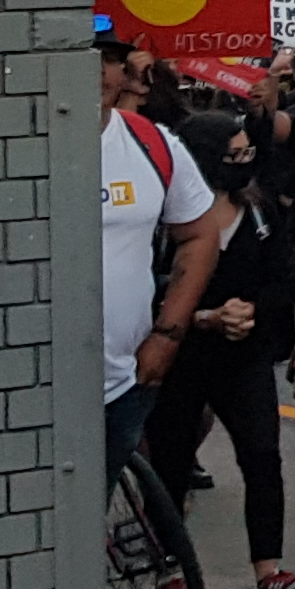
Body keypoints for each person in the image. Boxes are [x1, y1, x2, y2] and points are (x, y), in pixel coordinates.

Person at [142, 109, 295, 589]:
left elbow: (283, 278)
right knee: (170, 459)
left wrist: (253, 312)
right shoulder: (164, 219)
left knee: (262, 455)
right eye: (231, 155)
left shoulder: (259, 212)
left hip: (244, 354)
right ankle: (168, 571)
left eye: (248, 154)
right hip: (179, 354)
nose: (242, 163)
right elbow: (145, 287)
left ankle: (269, 572)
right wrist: (200, 317)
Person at [97, 26, 227, 493]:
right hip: (30, 384)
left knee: (93, 507)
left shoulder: (152, 142)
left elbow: (200, 233)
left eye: (108, 61)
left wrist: (168, 334)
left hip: (125, 379)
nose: (97, 73)